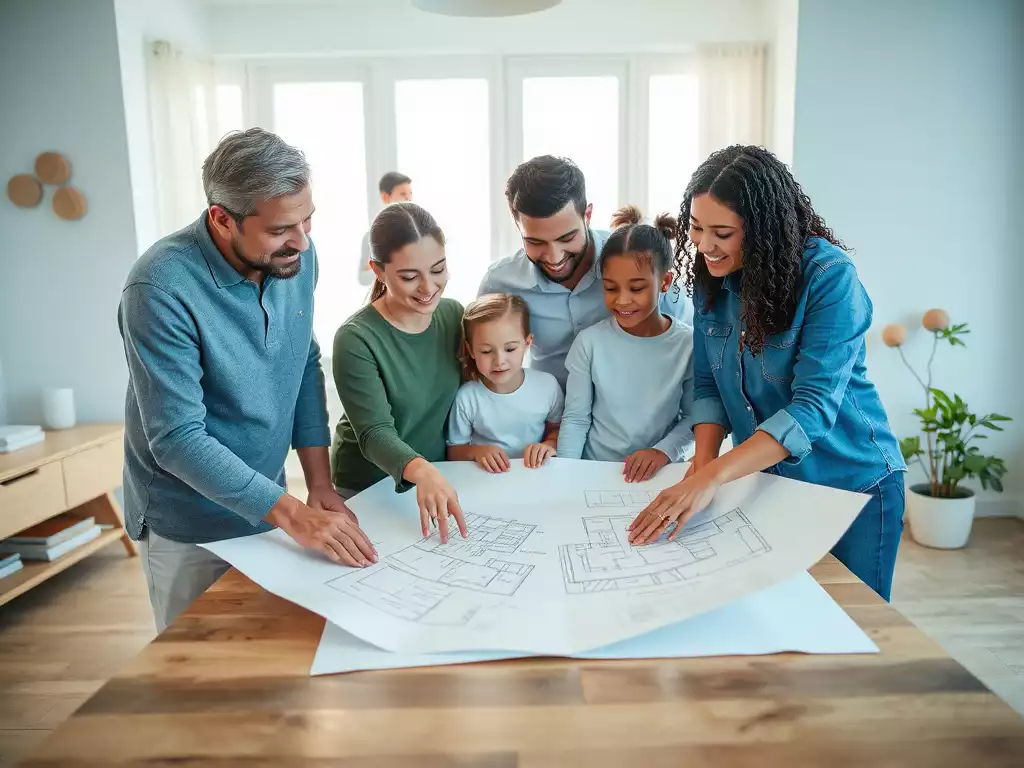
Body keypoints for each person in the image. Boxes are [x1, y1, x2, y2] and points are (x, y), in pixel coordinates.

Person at [118, 128, 376, 632]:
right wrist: (292, 514)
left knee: (271, 658)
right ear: (221, 218)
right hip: (188, 523)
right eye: (282, 228)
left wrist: (318, 484)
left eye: (308, 220)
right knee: (196, 677)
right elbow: (177, 438)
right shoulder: (159, 287)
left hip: (267, 506)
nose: (301, 241)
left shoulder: (297, 257)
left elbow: (303, 362)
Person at [627, 145, 906, 602]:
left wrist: (712, 476)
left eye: (722, 233)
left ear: (764, 229)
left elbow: (811, 410)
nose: (704, 246)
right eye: (696, 228)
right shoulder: (713, 275)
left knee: (854, 628)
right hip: (772, 485)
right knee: (785, 618)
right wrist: (702, 461)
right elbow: (707, 384)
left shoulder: (830, 277)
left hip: (855, 485)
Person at [478, 156, 693, 390]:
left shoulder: (637, 260)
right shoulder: (499, 285)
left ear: (587, 215)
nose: (554, 257)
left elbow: (691, 346)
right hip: (551, 416)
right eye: (535, 242)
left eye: (566, 238)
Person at [332, 202, 469, 544]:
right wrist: (421, 470)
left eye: (438, 269)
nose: (428, 288)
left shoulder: (453, 316)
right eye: (409, 277)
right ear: (377, 270)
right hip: (369, 485)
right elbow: (375, 432)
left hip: (435, 476)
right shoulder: (356, 338)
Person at [557, 205, 695, 482]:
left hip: (659, 474)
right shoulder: (589, 343)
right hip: (594, 472)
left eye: (636, 288)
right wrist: (564, 478)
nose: (622, 300)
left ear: (665, 281)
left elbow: (695, 419)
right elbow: (576, 418)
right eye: (610, 288)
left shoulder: (689, 344)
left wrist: (662, 452)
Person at [446, 293, 563, 473]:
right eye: (486, 351)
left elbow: (557, 428)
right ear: (471, 350)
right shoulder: (467, 397)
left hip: (534, 475)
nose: (499, 361)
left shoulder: (547, 386)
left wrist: (548, 444)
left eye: (510, 349)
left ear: (527, 342)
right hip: (485, 479)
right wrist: (477, 452)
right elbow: (454, 451)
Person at [358, 172, 414, 286]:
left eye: (410, 193)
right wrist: (388, 269)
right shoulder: (372, 236)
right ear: (385, 197)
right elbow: (363, 278)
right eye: (403, 194)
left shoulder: (419, 231)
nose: (409, 198)